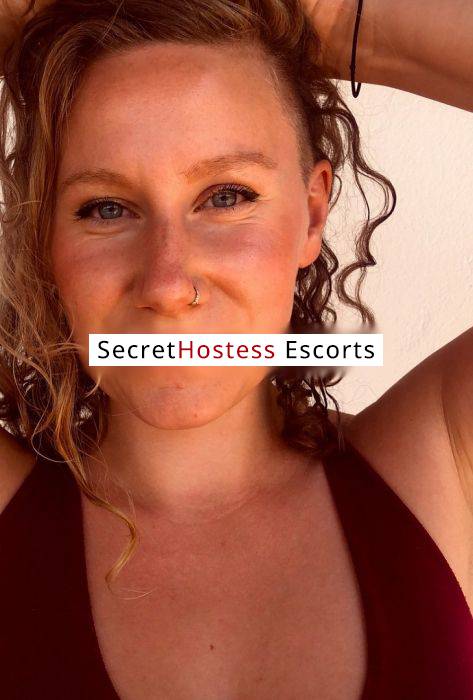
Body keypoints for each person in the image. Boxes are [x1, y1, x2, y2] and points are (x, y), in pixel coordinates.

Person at [0, 1, 471, 698]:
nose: (167, 284)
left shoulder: (444, 466)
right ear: (45, 238)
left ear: (312, 213)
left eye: (225, 196)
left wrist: (344, 21)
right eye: (105, 208)